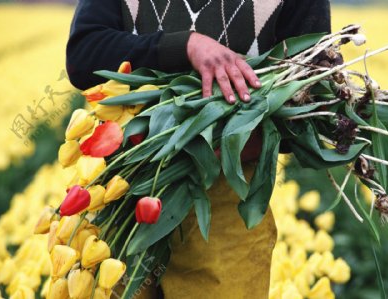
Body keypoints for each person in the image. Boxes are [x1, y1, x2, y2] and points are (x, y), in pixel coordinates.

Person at [66, 1, 331, 298]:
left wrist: (219, 143)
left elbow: (312, 98)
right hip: (121, 197)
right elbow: (83, 56)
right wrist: (185, 47)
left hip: (227, 203)